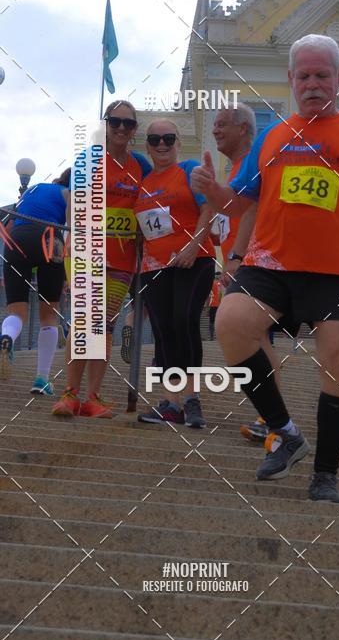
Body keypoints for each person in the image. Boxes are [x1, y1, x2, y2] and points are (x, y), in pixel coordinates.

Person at [191, 33, 339, 503]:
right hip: (271, 263)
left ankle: (326, 475)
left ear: (338, 79)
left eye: (322, 75)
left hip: (336, 270)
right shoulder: (275, 134)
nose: (313, 84)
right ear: (291, 80)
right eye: (304, 76)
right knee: (231, 324)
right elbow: (240, 202)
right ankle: (285, 431)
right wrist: (213, 193)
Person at [52, 101, 151, 418]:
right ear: (105, 124)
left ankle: (93, 397)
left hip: (123, 260)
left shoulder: (141, 166)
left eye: (128, 123)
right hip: (86, 253)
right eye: (115, 121)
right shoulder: (89, 160)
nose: (121, 128)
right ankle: (69, 394)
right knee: (84, 323)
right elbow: (73, 208)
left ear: (135, 129)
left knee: (104, 326)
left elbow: (149, 207)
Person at [135, 119, 215, 428]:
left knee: (184, 321)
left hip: (193, 261)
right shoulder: (143, 183)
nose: (162, 144)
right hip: (154, 269)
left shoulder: (189, 169)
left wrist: (193, 246)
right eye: (155, 140)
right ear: (148, 146)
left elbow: (208, 209)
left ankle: (192, 399)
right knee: (163, 330)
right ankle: (171, 403)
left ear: (178, 141)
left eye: (168, 138)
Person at [210, 102, 277, 443]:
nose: (215, 130)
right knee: (256, 336)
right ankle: (270, 417)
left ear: (244, 130)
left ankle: (273, 418)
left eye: (222, 124)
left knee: (256, 336)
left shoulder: (250, 165)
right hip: (244, 262)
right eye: (214, 124)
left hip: (255, 262)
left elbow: (250, 210)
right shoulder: (234, 169)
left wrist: (236, 255)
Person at [0, 169, 70, 394]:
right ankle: (41, 379)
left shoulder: (33, 189)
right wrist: (69, 274)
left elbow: (9, 223)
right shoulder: (70, 193)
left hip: (16, 239)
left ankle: (6, 336)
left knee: (16, 312)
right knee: (49, 315)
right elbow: (71, 230)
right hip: (49, 238)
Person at [208, 274, 221, 340]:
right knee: (214, 321)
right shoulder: (219, 284)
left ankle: (212, 336)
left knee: (212, 321)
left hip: (213, 305)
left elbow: (209, 295)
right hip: (217, 305)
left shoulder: (213, 284)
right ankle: (213, 336)